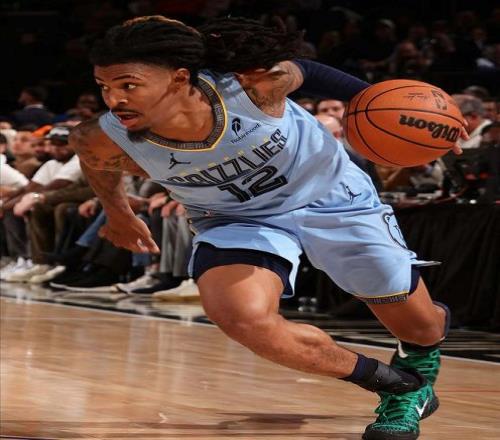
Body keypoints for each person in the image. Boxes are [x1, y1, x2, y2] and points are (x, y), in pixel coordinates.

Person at [70, 16, 466, 440]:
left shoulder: (249, 90)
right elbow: (95, 161)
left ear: (179, 78)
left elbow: (305, 69)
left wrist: (402, 113)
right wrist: (118, 213)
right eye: (104, 87)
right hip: (234, 219)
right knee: (242, 318)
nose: (114, 99)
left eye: (128, 85)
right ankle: (398, 386)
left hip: (329, 196)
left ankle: (423, 335)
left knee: (420, 327)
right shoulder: (102, 135)